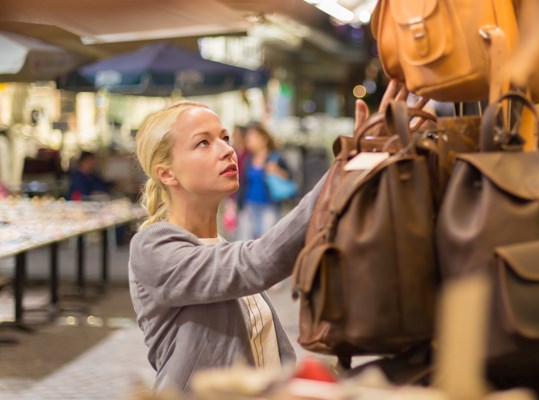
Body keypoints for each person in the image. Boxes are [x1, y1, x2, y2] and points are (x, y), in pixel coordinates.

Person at [127, 80, 410, 392]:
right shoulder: (152, 248)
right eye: (203, 143)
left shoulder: (221, 247)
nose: (227, 150)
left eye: (224, 138)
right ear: (166, 173)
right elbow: (259, 262)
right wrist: (347, 165)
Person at [236, 124, 291, 240]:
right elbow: (243, 182)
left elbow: (290, 178)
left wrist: (276, 170)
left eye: (252, 138)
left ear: (263, 139)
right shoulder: (248, 159)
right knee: (245, 241)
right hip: (248, 206)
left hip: (269, 206)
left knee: (266, 241)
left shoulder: (275, 158)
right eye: (248, 138)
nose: (249, 141)